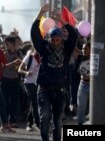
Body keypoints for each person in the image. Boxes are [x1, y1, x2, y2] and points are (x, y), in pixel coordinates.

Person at [31, 3, 78, 141]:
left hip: (60, 90)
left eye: (58, 40)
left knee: (57, 122)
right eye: (53, 40)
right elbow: (34, 32)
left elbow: (74, 34)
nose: (56, 42)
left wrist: (63, 21)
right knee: (44, 118)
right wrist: (40, 14)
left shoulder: (66, 49)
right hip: (44, 90)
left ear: (62, 40)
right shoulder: (43, 48)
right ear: (49, 39)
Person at [18, 46, 41, 132]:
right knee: (35, 102)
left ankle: (29, 123)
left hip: (38, 83)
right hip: (29, 82)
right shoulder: (29, 57)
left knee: (34, 103)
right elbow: (19, 69)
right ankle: (38, 124)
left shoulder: (44, 57)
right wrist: (26, 72)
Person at [77, 42, 90, 125]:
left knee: (94, 106)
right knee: (81, 106)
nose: (83, 50)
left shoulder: (95, 59)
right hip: (83, 84)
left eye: (86, 48)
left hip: (93, 85)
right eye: (83, 48)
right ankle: (80, 123)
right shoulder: (80, 58)